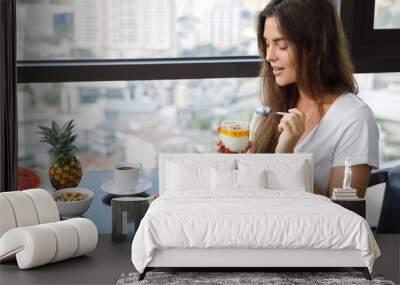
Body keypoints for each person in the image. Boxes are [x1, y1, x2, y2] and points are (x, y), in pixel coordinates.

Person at [216, 0, 379, 198]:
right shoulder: (273, 106)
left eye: (281, 45)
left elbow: (344, 213)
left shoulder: (353, 118)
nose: (269, 56)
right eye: (267, 44)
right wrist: (234, 163)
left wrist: (288, 158)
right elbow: (255, 187)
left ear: (316, 46)